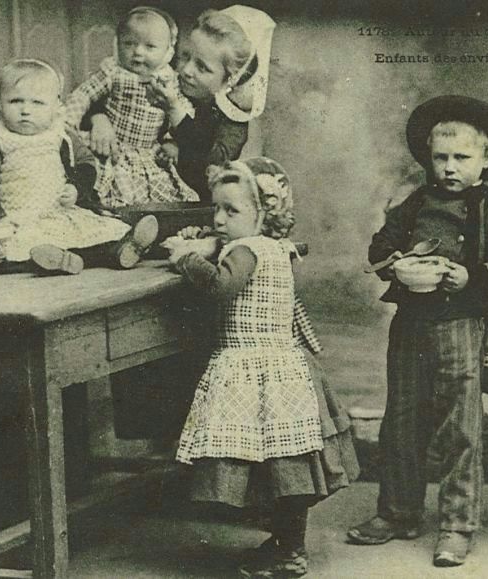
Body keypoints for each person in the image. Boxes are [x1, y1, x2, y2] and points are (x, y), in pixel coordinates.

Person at [348, 95, 488, 567]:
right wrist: (394, 262)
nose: (449, 167)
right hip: (410, 325)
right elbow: (380, 246)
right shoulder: (416, 202)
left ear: (485, 160)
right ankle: (398, 512)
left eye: (461, 158)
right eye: (441, 157)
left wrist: (473, 277)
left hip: (459, 325)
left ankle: (457, 524)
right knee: (401, 422)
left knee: (460, 428)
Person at [164, 157, 358, 578]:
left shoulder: (249, 250)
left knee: (281, 466)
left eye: (231, 211)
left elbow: (219, 286)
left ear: (263, 213)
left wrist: (184, 258)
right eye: (216, 209)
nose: (219, 219)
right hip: (277, 365)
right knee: (280, 466)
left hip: (259, 370)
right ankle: (285, 543)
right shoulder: (274, 247)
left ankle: (290, 551)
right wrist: (211, 245)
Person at [0, 58, 158, 275]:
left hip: (54, 212)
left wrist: (77, 189)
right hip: (13, 217)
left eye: (37, 103)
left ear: (56, 105)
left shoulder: (61, 136)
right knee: (3, 252)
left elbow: (87, 164)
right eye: (16, 101)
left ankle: (117, 251)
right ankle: (51, 262)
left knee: (88, 236)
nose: (26, 110)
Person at [64, 6, 198, 208]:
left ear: (168, 52)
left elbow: (179, 113)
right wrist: (67, 123)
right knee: (111, 191)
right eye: (129, 44)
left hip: (148, 152)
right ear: (118, 45)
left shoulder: (169, 81)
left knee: (156, 194)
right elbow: (83, 94)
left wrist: (173, 142)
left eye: (150, 46)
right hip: (114, 147)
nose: (137, 52)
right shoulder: (114, 73)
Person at [141, 5, 275, 203]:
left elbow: (209, 162)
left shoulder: (233, 121)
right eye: (185, 57)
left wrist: (175, 111)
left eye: (202, 67)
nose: (186, 70)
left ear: (229, 81)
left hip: (205, 207)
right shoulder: (177, 87)